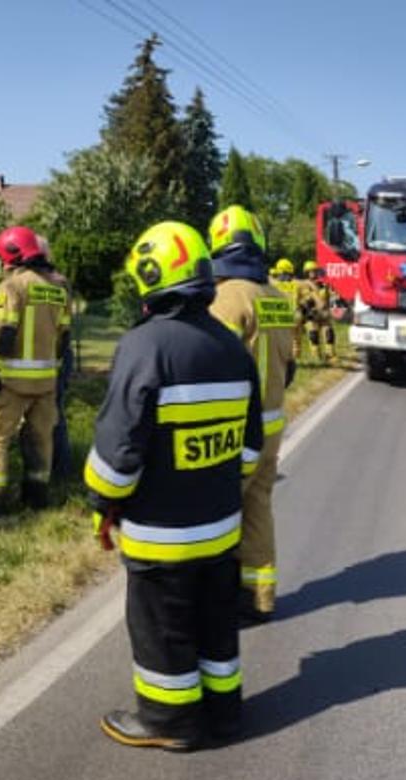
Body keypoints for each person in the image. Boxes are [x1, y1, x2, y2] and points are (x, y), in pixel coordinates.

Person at [88, 220, 262, 750]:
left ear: (150, 277)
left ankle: (171, 722)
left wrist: (103, 502)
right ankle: (224, 714)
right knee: (216, 627)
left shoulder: (144, 346)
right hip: (222, 527)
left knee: (163, 630)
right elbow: (249, 449)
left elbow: (119, 450)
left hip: (161, 534)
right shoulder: (232, 347)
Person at [206, 205, 296, 623]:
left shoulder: (226, 298)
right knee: (258, 508)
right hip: (272, 425)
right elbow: (289, 368)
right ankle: (259, 597)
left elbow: (210, 364)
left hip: (236, 432)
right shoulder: (278, 297)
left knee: (216, 515)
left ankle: (212, 602)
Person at [0, 226, 71, 519]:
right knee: (40, 440)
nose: (2, 265)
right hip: (46, 383)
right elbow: (63, 338)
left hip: (11, 383)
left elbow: (4, 334)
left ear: (12, 256)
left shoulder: (12, 287)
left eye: (2, 259)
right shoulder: (59, 287)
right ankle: (35, 500)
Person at [303, 263, 339, 365]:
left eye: (315, 271)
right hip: (310, 315)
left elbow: (334, 295)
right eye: (310, 271)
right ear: (306, 273)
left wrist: (334, 300)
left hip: (324, 314)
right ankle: (316, 357)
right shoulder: (303, 286)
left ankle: (330, 355)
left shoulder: (324, 284)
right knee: (313, 336)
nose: (313, 273)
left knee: (329, 334)